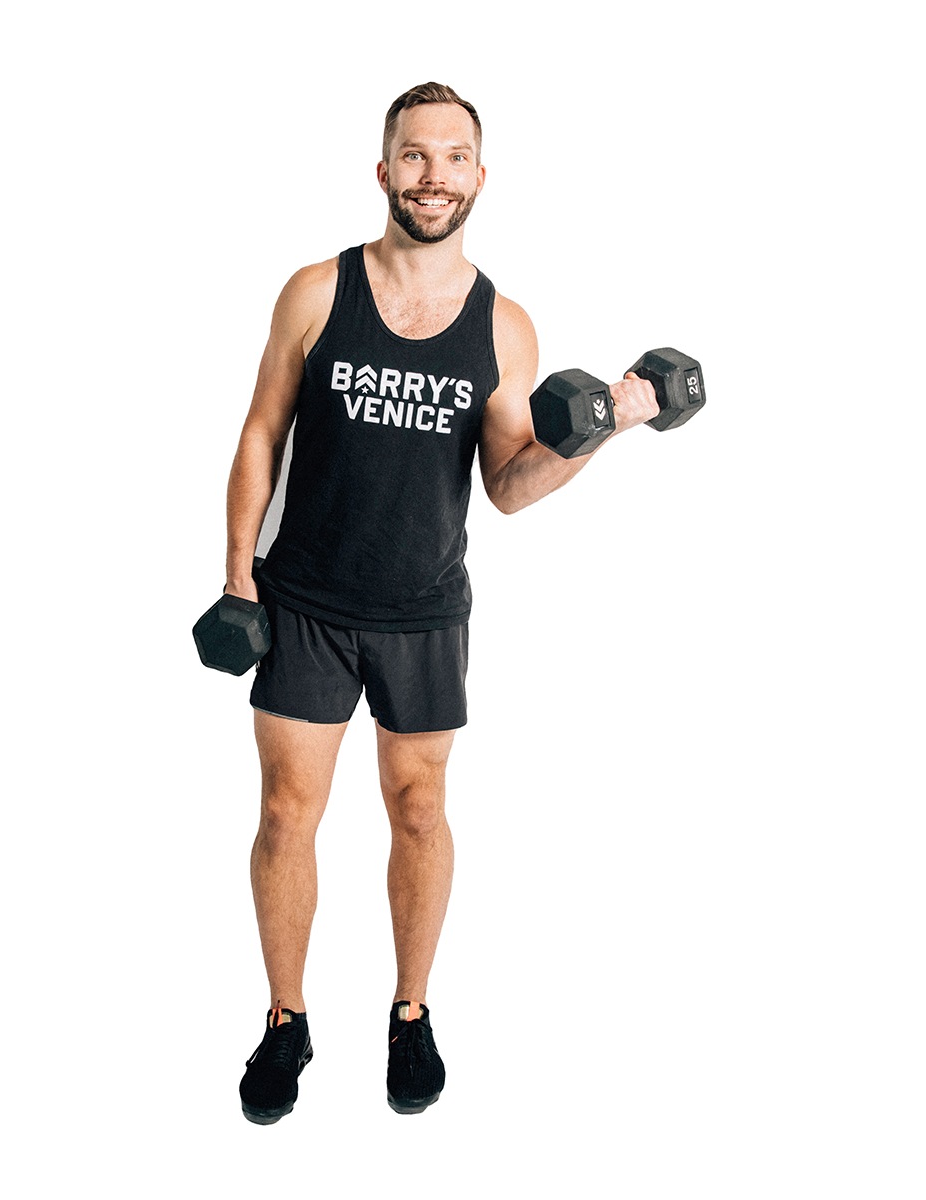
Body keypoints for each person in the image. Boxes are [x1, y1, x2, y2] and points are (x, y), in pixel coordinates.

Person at [223, 82, 660, 1124]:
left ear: (479, 177)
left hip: (424, 611)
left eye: (453, 157)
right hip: (305, 600)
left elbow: (508, 485)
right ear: (384, 171)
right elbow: (260, 433)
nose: (433, 176)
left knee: (418, 809)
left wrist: (606, 427)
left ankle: (409, 1012)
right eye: (414, 155)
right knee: (286, 812)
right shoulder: (315, 292)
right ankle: (286, 1020)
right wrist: (237, 575)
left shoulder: (503, 326)